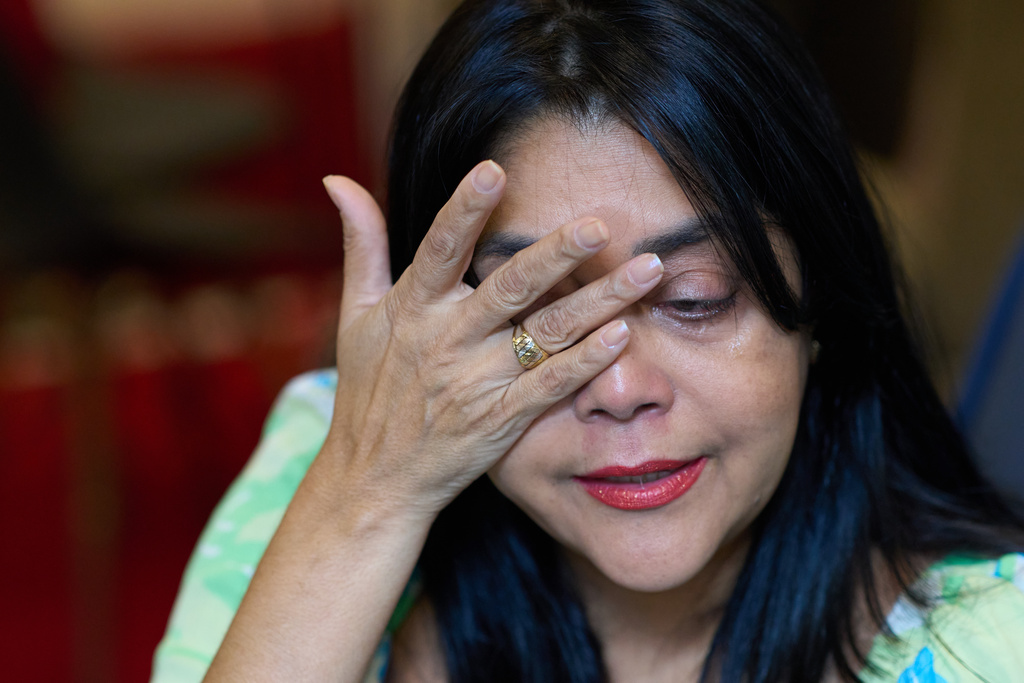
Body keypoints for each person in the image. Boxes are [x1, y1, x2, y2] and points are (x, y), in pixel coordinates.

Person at [152, 0, 1024, 681]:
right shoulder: (338, 466)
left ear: (824, 299)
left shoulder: (987, 645)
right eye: (532, 314)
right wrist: (366, 501)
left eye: (694, 297)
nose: (618, 387)